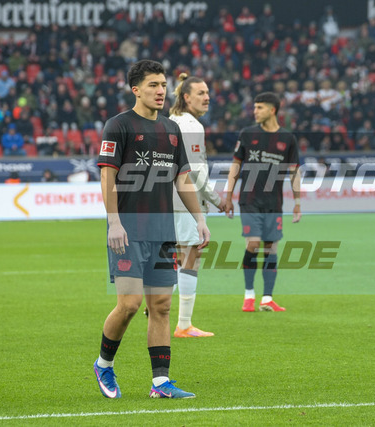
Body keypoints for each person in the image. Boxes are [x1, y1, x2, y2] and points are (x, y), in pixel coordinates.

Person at [94, 59, 209, 400]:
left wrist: (200, 219)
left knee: (160, 306)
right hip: (128, 231)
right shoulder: (118, 125)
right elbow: (107, 176)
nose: (161, 91)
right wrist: (114, 222)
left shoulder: (171, 129)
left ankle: (160, 383)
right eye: (153, 85)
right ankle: (103, 364)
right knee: (129, 304)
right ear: (136, 90)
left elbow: (183, 179)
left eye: (163, 85)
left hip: (162, 232)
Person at [224, 92, 301, 312]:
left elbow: (294, 172)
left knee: (271, 248)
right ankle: (249, 295)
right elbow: (235, 166)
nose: (254, 111)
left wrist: (297, 201)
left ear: (272, 110)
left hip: (273, 203)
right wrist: (228, 196)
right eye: (254, 107)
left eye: (259, 107)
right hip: (249, 200)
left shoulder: (288, 139)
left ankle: (267, 298)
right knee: (253, 244)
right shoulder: (247, 134)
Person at [168, 73, 226, 338]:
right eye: (201, 93)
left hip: (168, 198)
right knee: (191, 256)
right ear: (186, 97)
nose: (207, 97)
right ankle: (184, 324)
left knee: (177, 257)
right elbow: (194, 171)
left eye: (208, 93)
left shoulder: (172, 120)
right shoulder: (191, 125)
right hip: (185, 200)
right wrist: (217, 199)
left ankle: (158, 303)